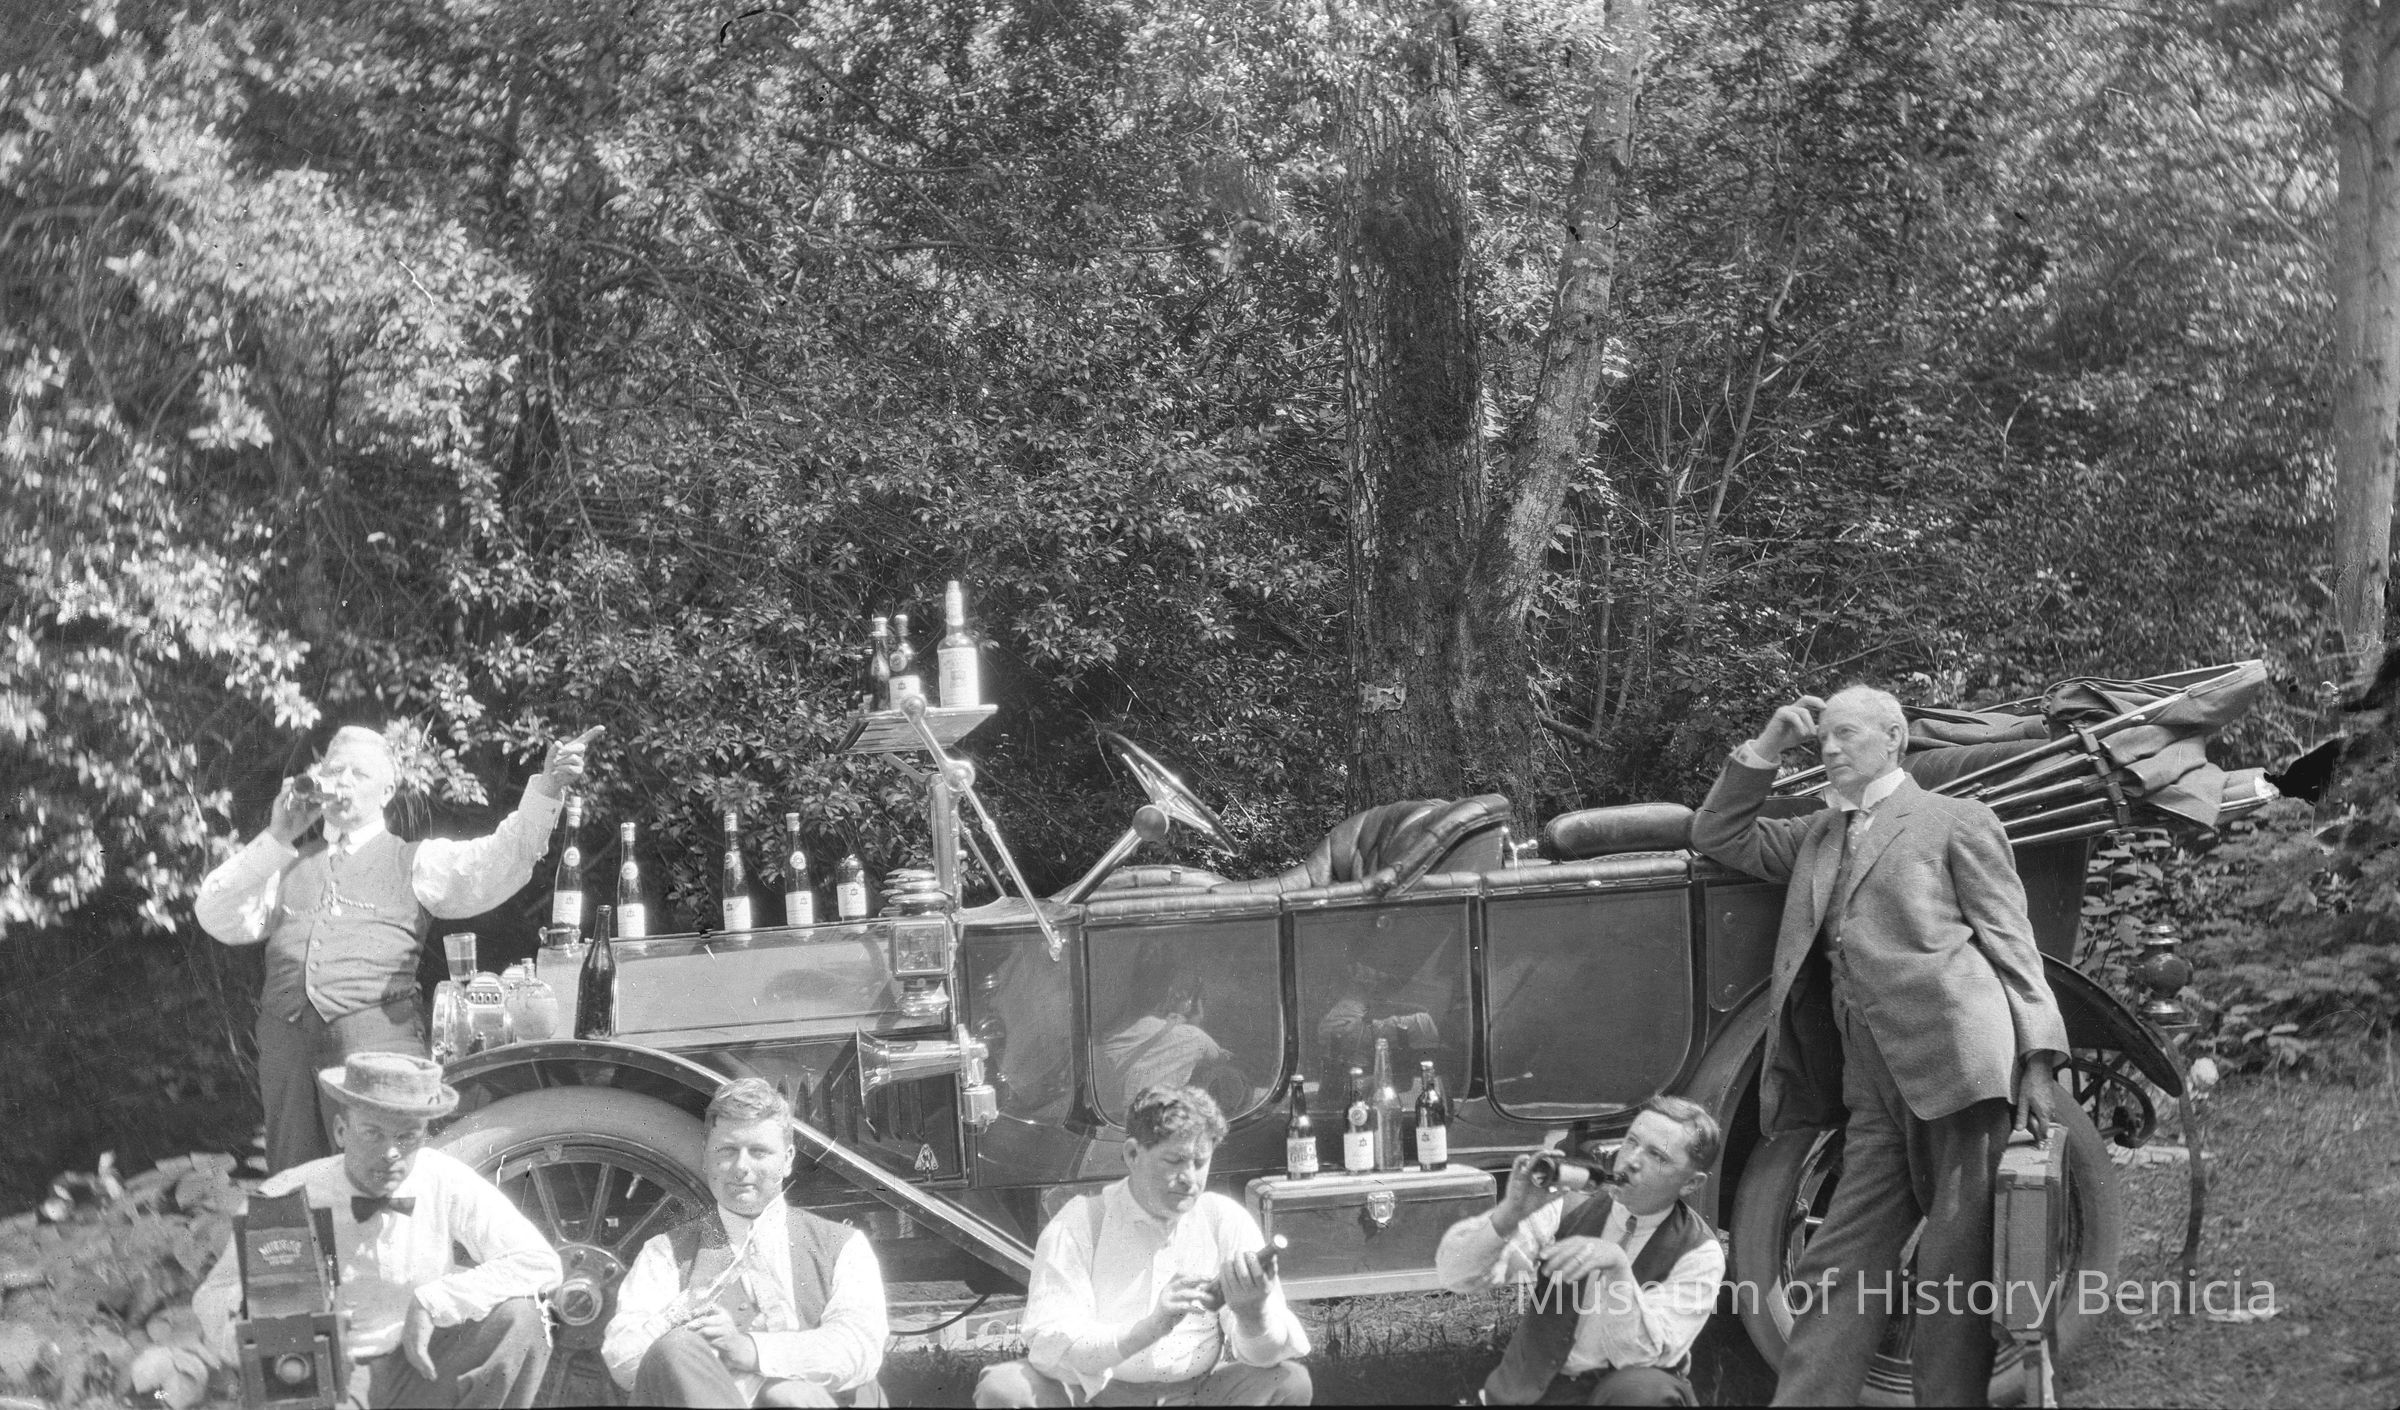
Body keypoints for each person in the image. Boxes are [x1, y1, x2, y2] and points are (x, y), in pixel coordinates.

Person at [1690, 686, 2070, 1407]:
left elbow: (2015, 947)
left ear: (1893, 738)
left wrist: (2040, 1060)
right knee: (1839, 1262)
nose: (1830, 749)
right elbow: (1717, 833)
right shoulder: (1818, 835)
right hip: (1869, 1080)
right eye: (1823, 739)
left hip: (1958, 1063)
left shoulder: (1954, 819)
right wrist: (1769, 745)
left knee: (1954, 1268)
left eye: (1847, 735)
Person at [196, 722, 601, 1171]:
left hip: (379, 1052)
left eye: (359, 774)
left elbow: (499, 860)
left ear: (387, 791)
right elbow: (214, 913)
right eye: (334, 770)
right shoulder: (284, 865)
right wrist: (278, 837)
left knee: (384, 1184)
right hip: (286, 1056)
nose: (343, 781)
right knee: (293, 1189)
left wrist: (546, 789)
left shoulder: (414, 861)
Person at [192, 1053, 562, 1408]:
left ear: (423, 1136)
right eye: (373, 1133)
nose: (390, 1153)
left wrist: (433, 1302)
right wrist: (269, 1321)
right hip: (331, 1374)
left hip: (422, 1361)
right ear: (341, 1131)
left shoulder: (443, 1178)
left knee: (522, 1319)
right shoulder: (287, 1195)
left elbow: (539, 1261)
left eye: (407, 1137)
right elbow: (213, 1297)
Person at [976, 1086, 1312, 1407]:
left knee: (1288, 1382)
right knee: (1005, 1388)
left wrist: (1254, 1316)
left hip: (1196, 1395)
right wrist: (1149, 1329)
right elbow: (1050, 1351)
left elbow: (1264, 1358)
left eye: (1200, 1162)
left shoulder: (1223, 1219)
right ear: (1133, 1154)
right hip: (1094, 1394)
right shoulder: (1081, 1221)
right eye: (1174, 1160)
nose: (1189, 1179)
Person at [603, 1079, 888, 1407]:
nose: (741, 1168)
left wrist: (749, 1350)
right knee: (675, 1348)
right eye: (726, 1151)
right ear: (706, 1158)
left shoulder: (844, 1245)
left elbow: (859, 1348)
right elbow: (623, 1363)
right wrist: (761, 1387)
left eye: (759, 1152)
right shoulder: (664, 1252)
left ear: (788, 1159)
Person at [1436, 1097, 1726, 1406]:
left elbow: (1639, 1356)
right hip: (1534, 1395)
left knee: (1642, 1390)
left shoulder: (1700, 1253)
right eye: (1632, 1142)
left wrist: (1617, 1267)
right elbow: (1456, 1276)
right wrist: (1510, 1214)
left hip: (1619, 1398)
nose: (1631, 1161)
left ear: (1691, 1183)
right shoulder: (1569, 1204)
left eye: (1657, 1156)